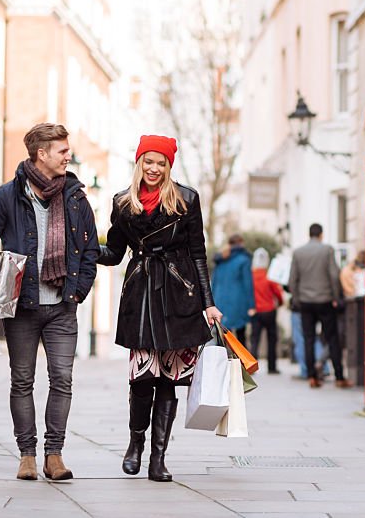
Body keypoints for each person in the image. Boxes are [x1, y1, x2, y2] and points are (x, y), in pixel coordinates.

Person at [0, 123, 99, 482]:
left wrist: (80, 288)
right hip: (21, 306)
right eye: (62, 151)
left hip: (62, 307)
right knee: (21, 380)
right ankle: (26, 455)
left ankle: (54, 455)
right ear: (42, 154)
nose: (68, 156)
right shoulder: (5, 197)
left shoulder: (76, 198)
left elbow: (89, 250)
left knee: (62, 379)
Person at [97, 135, 223, 482]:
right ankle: (135, 443)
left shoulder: (186, 200)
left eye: (161, 163)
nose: (154, 169)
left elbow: (198, 252)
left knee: (168, 379)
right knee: (141, 377)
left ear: (169, 166)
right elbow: (114, 253)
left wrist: (208, 304)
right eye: (148, 162)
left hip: (178, 294)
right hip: (141, 294)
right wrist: (83, 247)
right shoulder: (123, 203)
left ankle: (158, 458)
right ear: (139, 163)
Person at [288, 223, 350, 388]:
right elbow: (334, 275)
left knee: (308, 339)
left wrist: (297, 298)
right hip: (325, 301)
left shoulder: (298, 252)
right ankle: (339, 377)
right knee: (332, 339)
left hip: (306, 302)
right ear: (321, 235)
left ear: (309, 235)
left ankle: (312, 377)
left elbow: (292, 279)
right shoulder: (327, 250)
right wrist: (336, 297)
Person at [211, 234, 254, 347]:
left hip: (220, 301)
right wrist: (251, 306)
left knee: (222, 337)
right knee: (241, 336)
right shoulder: (244, 260)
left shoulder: (220, 259)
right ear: (241, 243)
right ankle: (242, 363)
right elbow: (247, 284)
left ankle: (222, 363)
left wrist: (211, 303)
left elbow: (214, 282)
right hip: (238, 302)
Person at [249, 247, 283, 374]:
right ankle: (272, 367)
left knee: (255, 339)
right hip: (269, 310)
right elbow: (278, 293)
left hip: (256, 311)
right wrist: (280, 303)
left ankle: (252, 367)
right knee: (272, 339)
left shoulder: (251, 276)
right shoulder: (270, 275)